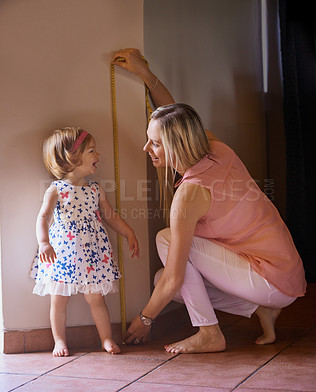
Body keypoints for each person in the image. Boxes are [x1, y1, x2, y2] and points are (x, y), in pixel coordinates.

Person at [111, 48, 307, 354]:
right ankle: (261, 308)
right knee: (161, 278)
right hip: (285, 272)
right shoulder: (217, 149)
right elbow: (177, 115)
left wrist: (144, 318)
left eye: (156, 143)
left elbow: (176, 279)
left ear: (177, 146)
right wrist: (146, 75)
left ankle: (208, 333)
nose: (145, 147)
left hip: (270, 276)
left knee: (166, 245)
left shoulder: (189, 195)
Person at [30, 127, 139, 356]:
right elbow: (42, 217)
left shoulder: (95, 189)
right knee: (58, 300)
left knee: (96, 298)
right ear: (73, 157)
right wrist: (44, 243)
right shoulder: (56, 190)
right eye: (92, 151)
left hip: (91, 253)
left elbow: (109, 215)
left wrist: (128, 232)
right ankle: (59, 341)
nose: (97, 156)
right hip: (62, 252)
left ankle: (106, 338)